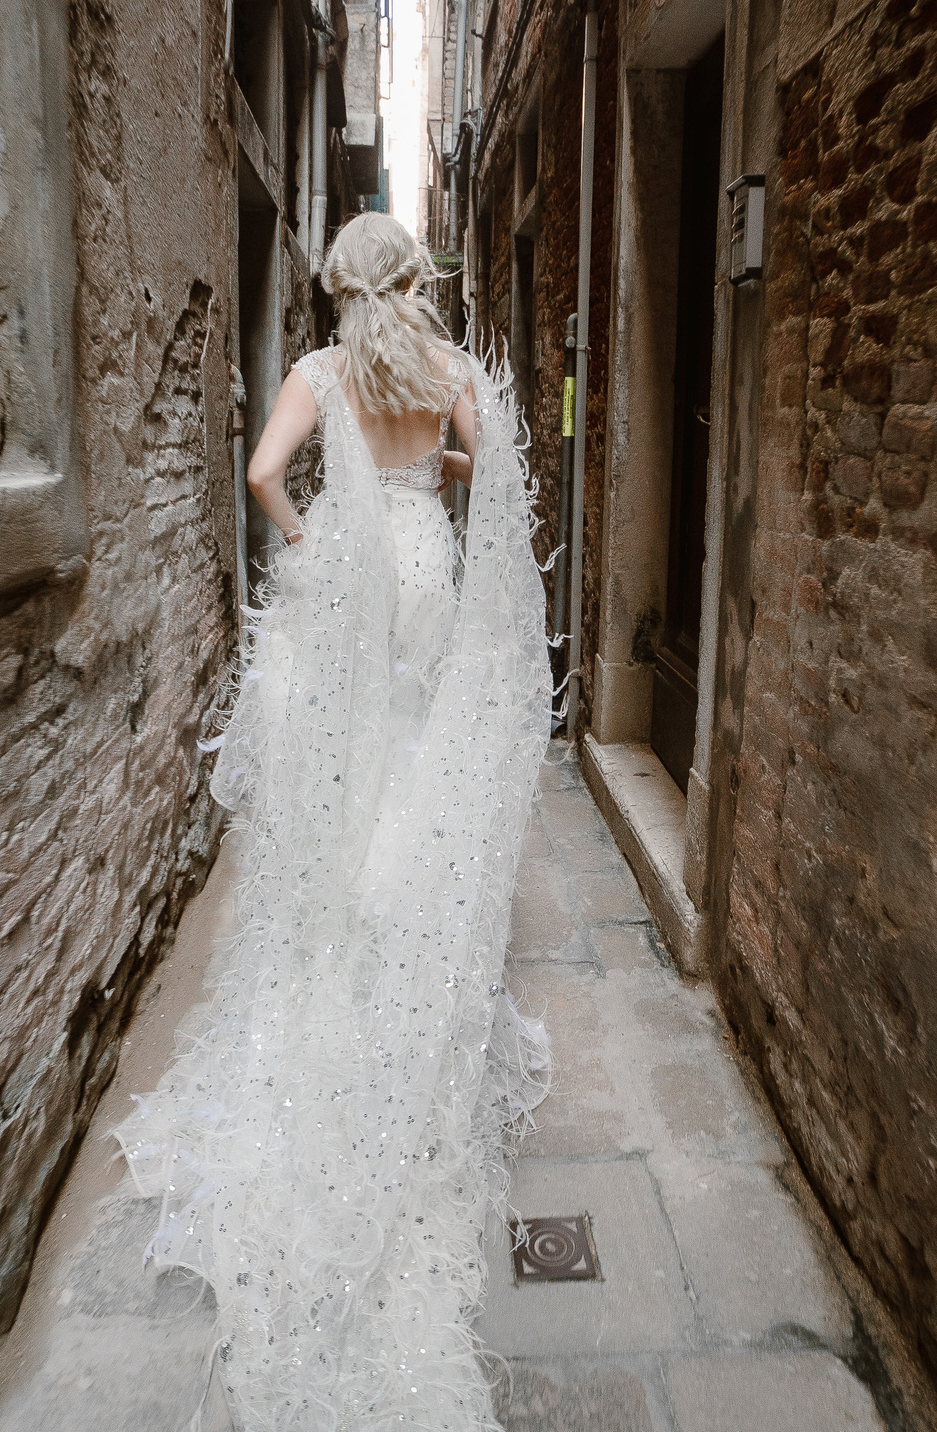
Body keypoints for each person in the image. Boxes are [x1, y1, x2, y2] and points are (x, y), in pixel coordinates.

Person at [115, 212, 553, 1430]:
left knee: (349, 768)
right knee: (413, 753)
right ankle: (408, 920)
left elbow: (263, 476)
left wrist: (313, 543)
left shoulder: (319, 369)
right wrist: (440, 475)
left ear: (336, 286)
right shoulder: (447, 369)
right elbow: (490, 476)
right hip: (427, 573)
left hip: (354, 577)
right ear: (412, 279)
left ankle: (347, 929)